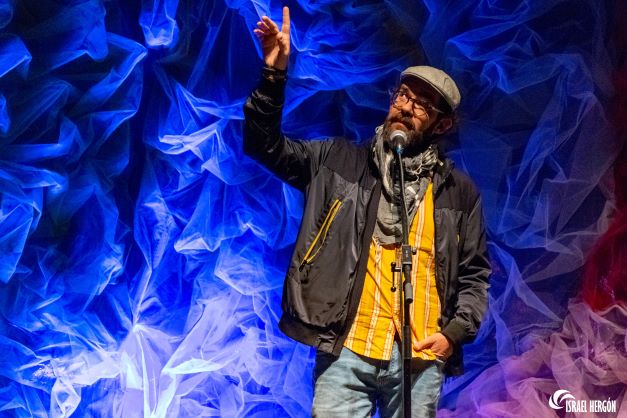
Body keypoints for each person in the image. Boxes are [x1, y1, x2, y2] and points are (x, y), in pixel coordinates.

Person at [244, 6, 490, 417]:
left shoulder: (458, 193)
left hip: (419, 357)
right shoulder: (337, 161)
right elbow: (263, 145)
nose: (406, 107)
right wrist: (274, 75)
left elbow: (474, 274)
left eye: (423, 105)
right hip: (349, 348)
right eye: (404, 95)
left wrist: (453, 333)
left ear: (442, 125)